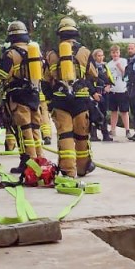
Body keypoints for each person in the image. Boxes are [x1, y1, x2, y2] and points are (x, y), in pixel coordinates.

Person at [43, 17, 98, 177]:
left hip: (60, 101)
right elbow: (93, 74)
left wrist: (49, 101)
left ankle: (68, 171)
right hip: (80, 101)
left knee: (65, 135)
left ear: (60, 34)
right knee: (81, 136)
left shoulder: (52, 54)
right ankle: (82, 168)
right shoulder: (85, 52)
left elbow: (46, 79)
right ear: (75, 33)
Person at [0, 20, 46, 175]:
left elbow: (2, 76)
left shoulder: (10, 54)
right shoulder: (35, 52)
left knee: (24, 130)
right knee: (35, 128)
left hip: (18, 96)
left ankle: (27, 162)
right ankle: (39, 159)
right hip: (34, 94)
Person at [106, 44, 130, 139]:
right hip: (113, 90)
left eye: (116, 52)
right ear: (111, 53)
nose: (115, 54)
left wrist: (120, 67)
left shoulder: (124, 61)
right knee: (113, 111)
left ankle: (127, 130)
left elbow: (126, 75)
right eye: (113, 52)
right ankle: (113, 129)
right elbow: (108, 77)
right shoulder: (109, 64)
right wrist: (107, 86)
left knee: (124, 111)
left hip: (122, 89)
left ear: (119, 53)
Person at [88, 48, 112, 141]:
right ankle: (93, 135)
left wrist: (109, 86)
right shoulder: (92, 67)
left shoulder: (105, 67)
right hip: (95, 93)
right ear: (94, 57)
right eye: (99, 55)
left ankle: (105, 135)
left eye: (102, 55)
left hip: (105, 93)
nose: (101, 57)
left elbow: (109, 78)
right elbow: (89, 80)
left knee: (104, 114)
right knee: (94, 114)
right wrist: (94, 93)